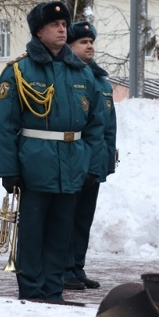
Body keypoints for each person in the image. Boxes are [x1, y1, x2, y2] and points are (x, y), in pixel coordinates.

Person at [0, 1, 104, 303]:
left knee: (61, 233)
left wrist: (94, 165)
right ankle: (31, 291)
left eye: (64, 25)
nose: (61, 29)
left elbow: (96, 124)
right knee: (32, 233)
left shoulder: (81, 73)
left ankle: (54, 291)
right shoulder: (19, 71)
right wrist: (8, 169)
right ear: (39, 31)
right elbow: (4, 126)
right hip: (35, 163)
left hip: (72, 163)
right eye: (54, 25)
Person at [63, 20, 117, 291]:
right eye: (83, 42)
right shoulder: (68, 76)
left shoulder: (101, 81)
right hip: (74, 159)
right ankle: (64, 268)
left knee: (84, 218)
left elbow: (108, 127)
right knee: (68, 217)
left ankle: (77, 266)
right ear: (70, 47)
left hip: (94, 162)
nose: (89, 46)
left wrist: (106, 162)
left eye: (91, 42)